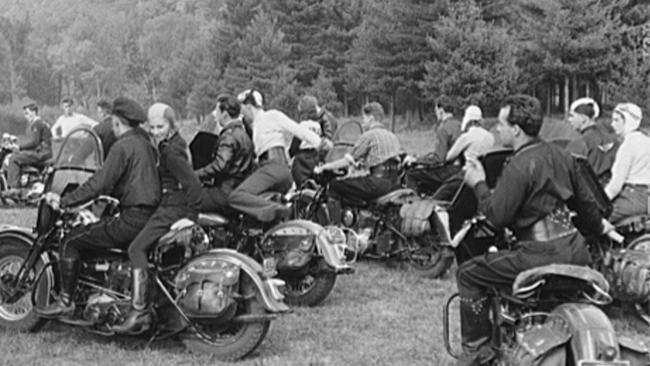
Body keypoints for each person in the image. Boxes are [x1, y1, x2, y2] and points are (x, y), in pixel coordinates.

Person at [456, 94, 611, 365]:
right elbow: (587, 207)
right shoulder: (562, 155)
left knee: (468, 274)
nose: (497, 130)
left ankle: (478, 353)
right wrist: (598, 229)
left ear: (516, 129)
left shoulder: (519, 164)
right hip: (575, 251)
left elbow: (496, 217)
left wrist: (478, 183)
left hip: (538, 253)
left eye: (501, 125)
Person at [37, 97, 160, 319]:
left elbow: (100, 182)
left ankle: (66, 301)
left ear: (118, 122)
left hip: (132, 218)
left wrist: (65, 201)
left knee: (72, 241)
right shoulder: (145, 143)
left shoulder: (122, 146)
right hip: (150, 215)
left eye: (113, 120)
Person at [110, 103, 201, 333]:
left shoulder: (171, 151)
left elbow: (193, 185)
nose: (156, 131)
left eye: (160, 126)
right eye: (152, 127)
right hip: (168, 204)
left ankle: (139, 312)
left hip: (171, 207)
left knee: (136, 249)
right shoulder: (173, 143)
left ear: (171, 123)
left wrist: (191, 216)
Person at [228, 89, 328, 222]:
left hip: (272, 167)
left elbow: (298, 130)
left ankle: (275, 209)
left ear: (248, 107)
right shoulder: (255, 125)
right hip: (280, 170)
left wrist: (319, 142)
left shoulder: (271, 116)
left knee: (236, 196)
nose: (242, 115)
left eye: (243, 111)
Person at [314, 102, 402, 222]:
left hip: (376, 184)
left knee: (335, 186)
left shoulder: (369, 135)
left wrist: (326, 166)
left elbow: (348, 160)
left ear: (371, 118)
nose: (363, 122)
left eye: (364, 118)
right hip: (394, 184)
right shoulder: (392, 136)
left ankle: (334, 228)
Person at [195, 94, 255, 213]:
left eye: (217, 111)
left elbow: (220, 165)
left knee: (187, 201)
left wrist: (196, 174)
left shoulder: (229, 136)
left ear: (225, 114)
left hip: (225, 192)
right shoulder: (244, 134)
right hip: (238, 189)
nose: (216, 115)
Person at [432, 105, 495, 202]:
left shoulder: (466, 137)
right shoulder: (490, 136)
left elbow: (448, 157)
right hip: (486, 176)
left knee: (439, 195)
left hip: (467, 175)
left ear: (468, 121)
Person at [405, 95, 462, 194]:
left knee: (411, 174)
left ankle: (414, 206)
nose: (435, 113)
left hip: (448, 171)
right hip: (460, 169)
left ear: (441, 109)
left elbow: (439, 159)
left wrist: (416, 160)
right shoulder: (460, 125)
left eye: (435, 109)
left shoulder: (443, 129)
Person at [604, 103, 650, 223]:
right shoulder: (646, 141)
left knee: (593, 221)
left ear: (628, 122)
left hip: (630, 198)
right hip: (646, 198)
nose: (612, 124)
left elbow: (615, 186)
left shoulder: (628, 146)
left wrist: (599, 203)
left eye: (617, 120)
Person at [566, 98, 618, 184]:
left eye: (572, 116)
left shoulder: (579, 143)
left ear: (583, 118)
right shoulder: (613, 139)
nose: (569, 120)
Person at [289, 95, 338, 187]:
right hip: (315, 157)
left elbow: (295, 145)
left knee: (301, 184)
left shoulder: (304, 125)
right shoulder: (317, 125)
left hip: (303, 159)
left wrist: (290, 154)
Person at [4, 103, 53, 195]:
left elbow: (34, 142)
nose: (25, 116)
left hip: (41, 153)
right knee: (20, 155)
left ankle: (14, 189)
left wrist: (19, 147)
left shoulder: (37, 123)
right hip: (44, 152)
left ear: (34, 112)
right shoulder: (41, 123)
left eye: (27, 113)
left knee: (13, 158)